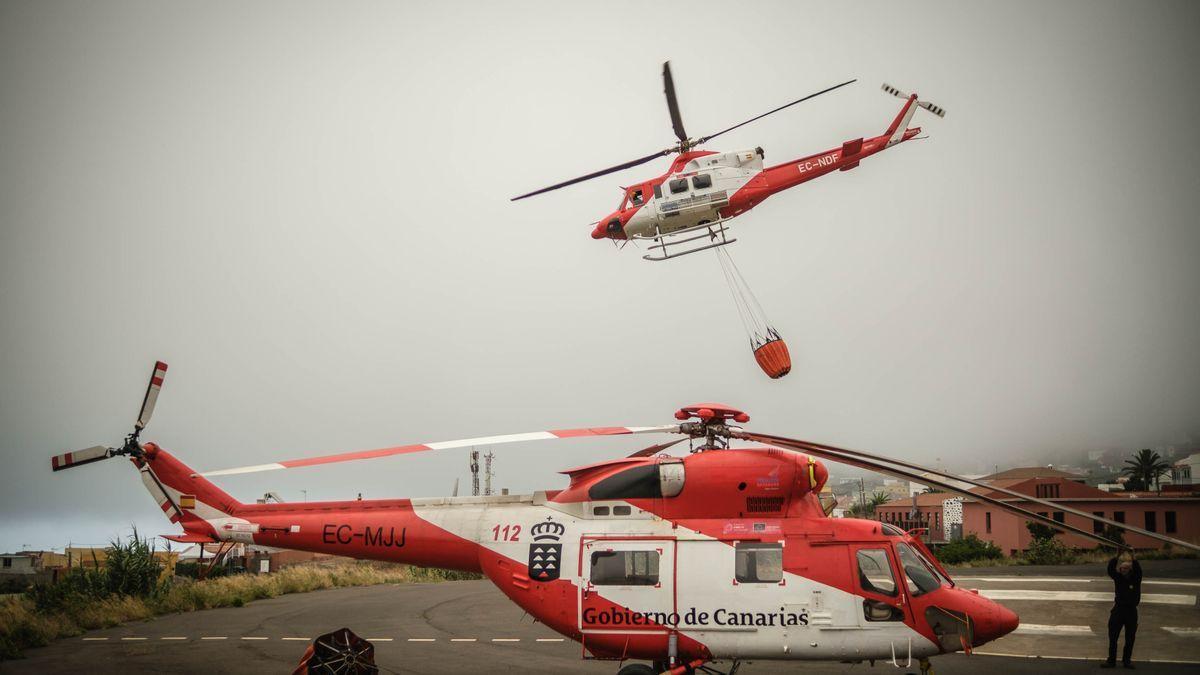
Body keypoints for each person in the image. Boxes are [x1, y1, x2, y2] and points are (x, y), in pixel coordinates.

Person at [1102, 549, 1141, 669]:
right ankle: (1111, 661)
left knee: (1130, 638)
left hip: (1131, 611)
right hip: (1118, 610)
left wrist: (1133, 556)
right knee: (1113, 637)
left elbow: (1139, 570)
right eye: (1122, 568)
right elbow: (1110, 569)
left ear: (1130, 570)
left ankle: (1126, 661)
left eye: (1126, 568)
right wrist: (1117, 555)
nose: (1123, 570)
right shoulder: (1118, 578)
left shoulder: (1136, 579)